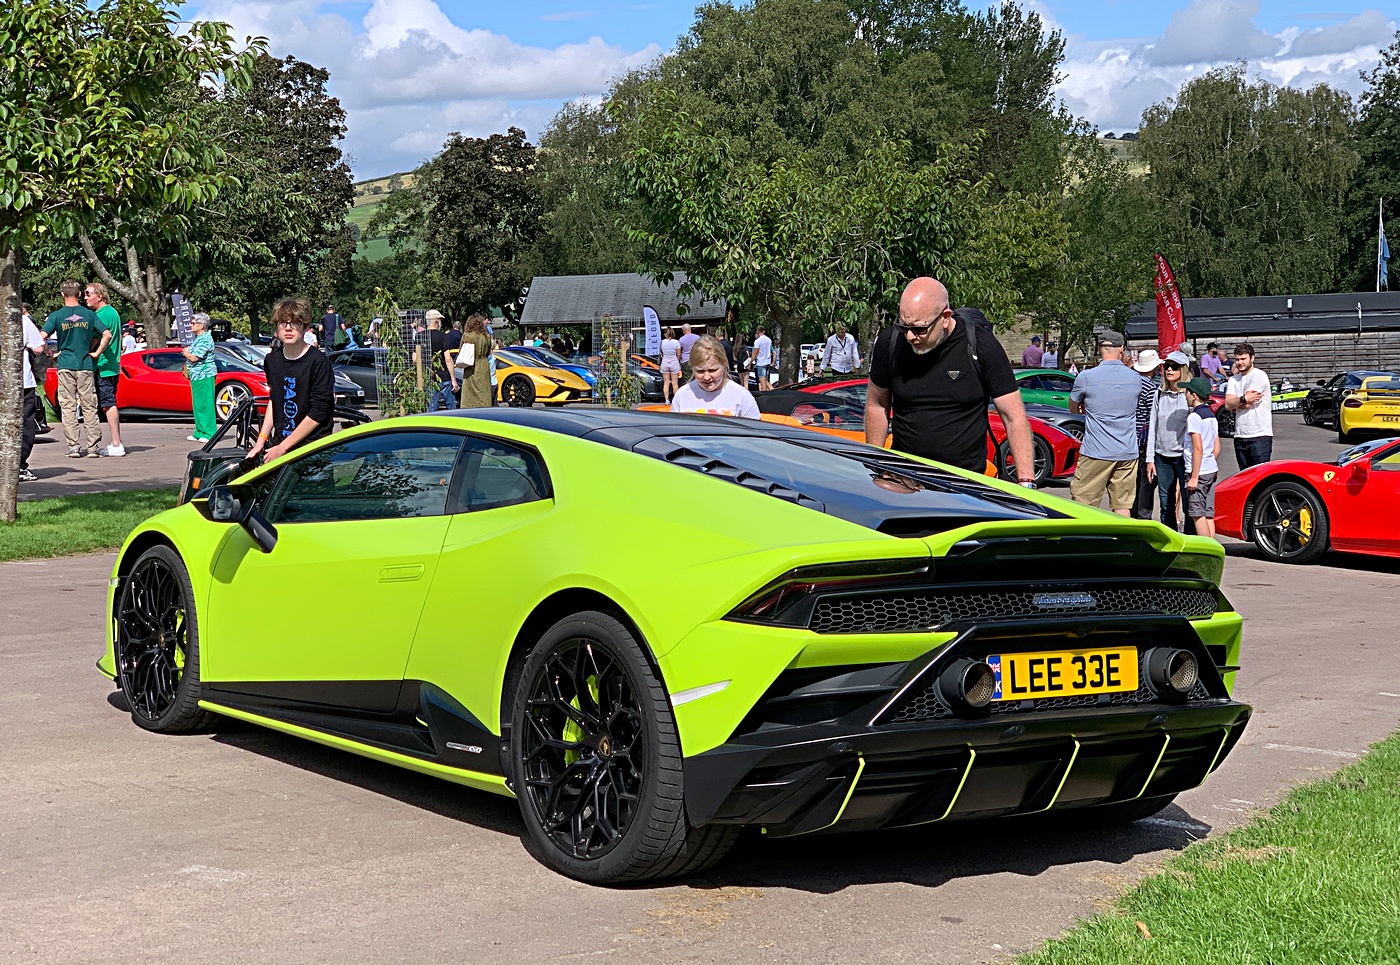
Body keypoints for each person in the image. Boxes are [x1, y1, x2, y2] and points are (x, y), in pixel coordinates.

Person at [865, 277, 1035, 482]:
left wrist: (1026, 481)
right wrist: (875, 464)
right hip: (904, 477)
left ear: (945, 317)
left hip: (963, 483)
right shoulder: (890, 343)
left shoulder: (980, 345)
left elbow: (1013, 416)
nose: (910, 336)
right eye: (903, 326)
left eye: (919, 329)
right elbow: (877, 404)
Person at [247, 298, 335, 463]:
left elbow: (318, 413)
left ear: (304, 326)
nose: (288, 328)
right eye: (282, 323)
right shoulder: (272, 360)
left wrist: (283, 448)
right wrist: (261, 441)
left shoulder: (318, 362)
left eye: (294, 323)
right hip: (279, 446)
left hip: (312, 450)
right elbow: (275, 400)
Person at [1068, 330, 1140, 515]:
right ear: (1121, 349)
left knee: (1084, 504)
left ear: (1100, 349)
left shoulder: (1086, 377)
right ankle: (1121, 542)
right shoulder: (1135, 377)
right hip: (1127, 450)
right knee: (1122, 505)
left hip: (1096, 450)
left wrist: (1085, 408)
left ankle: (1090, 543)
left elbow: (1073, 407)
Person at [42, 279, 102, 457]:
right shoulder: (89, 314)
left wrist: (50, 353)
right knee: (89, 406)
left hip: (65, 364)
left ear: (62, 294)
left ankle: (73, 446)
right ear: (79, 294)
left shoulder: (57, 316)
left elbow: (41, 336)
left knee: (67, 406)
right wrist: (96, 351)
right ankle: (93, 447)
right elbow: (105, 334)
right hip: (84, 364)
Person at [1145, 351, 1194, 533]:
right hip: (1161, 456)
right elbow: (1153, 427)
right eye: (1166, 366)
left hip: (1182, 457)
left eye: (1174, 366)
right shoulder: (1159, 394)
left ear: (1183, 369)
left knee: (1189, 503)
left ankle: (1190, 538)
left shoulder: (1189, 396)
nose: (1169, 370)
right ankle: (1170, 536)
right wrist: (1150, 458)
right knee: (1166, 503)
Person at [84, 282, 126, 456]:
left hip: (103, 366)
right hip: (110, 365)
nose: (85, 298)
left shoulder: (102, 315)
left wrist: (87, 352)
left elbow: (96, 339)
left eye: (88, 294)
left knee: (108, 403)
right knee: (108, 402)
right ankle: (115, 443)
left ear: (99, 296)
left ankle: (117, 443)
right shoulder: (112, 312)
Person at [670, 336, 760, 418]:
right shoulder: (682, 395)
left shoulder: (742, 396)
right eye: (700, 371)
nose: (706, 377)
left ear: (724, 365)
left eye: (712, 370)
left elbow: (756, 432)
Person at [1183, 377, 1221, 539]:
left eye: (1187, 392)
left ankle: (1207, 551)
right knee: (1208, 513)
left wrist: (1194, 476)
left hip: (1198, 472)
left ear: (1194, 395)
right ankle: (1213, 546)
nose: (1185, 395)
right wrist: (1209, 461)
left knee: (1197, 514)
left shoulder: (1194, 417)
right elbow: (1216, 447)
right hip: (1211, 469)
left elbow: (1197, 448)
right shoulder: (1211, 416)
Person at [1224, 343, 1272, 470]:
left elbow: (1249, 403)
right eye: (1237, 359)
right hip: (1240, 435)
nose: (1240, 363)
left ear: (1252, 358)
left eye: (1243, 359)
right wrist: (1243, 399)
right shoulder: (1233, 379)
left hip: (1259, 435)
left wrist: (1238, 401)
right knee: (1244, 477)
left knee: (1259, 478)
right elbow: (1228, 404)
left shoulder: (1259, 375)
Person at [17, 308, 47, 482]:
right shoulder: (22, 321)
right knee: (25, 424)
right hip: (21, 382)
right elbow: (37, 348)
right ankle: (19, 465)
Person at [1130, 348, 1160, 519]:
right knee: (1147, 479)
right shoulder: (1150, 388)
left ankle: (1133, 511)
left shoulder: (1131, 383)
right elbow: (1152, 414)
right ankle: (1143, 514)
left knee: (1133, 478)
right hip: (1144, 437)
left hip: (1130, 435)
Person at [181, 312, 218, 443]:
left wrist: (186, 352)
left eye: (193, 323)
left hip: (204, 374)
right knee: (198, 405)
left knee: (205, 404)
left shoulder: (206, 338)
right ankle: (199, 431)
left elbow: (195, 357)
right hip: (196, 375)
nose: (191, 325)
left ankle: (209, 433)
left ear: (201, 325)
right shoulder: (198, 338)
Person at [457, 314, 494, 409]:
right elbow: (489, 351)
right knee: (484, 392)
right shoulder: (487, 336)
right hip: (484, 365)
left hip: (471, 365)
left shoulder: (467, 335)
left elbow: (461, 350)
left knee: (469, 393)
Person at [423, 310, 455, 411]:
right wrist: (453, 379)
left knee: (431, 407)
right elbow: (448, 359)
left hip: (428, 376)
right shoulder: (443, 337)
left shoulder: (420, 337)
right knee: (451, 407)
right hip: (444, 376)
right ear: (436, 321)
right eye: (440, 320)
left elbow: (415, 359)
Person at [659, 327, 682, 403]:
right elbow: (678, 354)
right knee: (675, 383)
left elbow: (661, 352)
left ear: (665, 334)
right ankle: (675, 400)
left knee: (666, 383)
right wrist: (677, 361)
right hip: (674, 362)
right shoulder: (676, 342)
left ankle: (666, 400)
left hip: (665, 362)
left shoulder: (662, 342)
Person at [750, 325, 774, 392]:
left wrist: (750, 362)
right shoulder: (769, 340)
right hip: (768, 361)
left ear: (757, 331)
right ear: (764, 331)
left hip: (761, 363)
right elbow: (772, 351)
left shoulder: (758, 341)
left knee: (762, 381)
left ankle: (764, 394)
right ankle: (772, 390)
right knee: (766, 380)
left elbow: (755, 354)